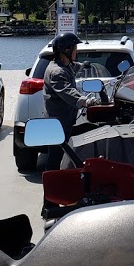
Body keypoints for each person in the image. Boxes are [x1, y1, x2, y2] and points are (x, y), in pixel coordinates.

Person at [42, 32, 97, 171]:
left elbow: (73, 67)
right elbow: (67, 91)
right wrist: (85, 101)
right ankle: (51, 186)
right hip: (58, 123)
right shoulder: (57, 72)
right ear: (66, 50)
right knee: (56, 156)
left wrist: (85, 65)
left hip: (65, 120)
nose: (76, 51)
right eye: (74, 48)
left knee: (67, 153)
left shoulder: (64, 65)